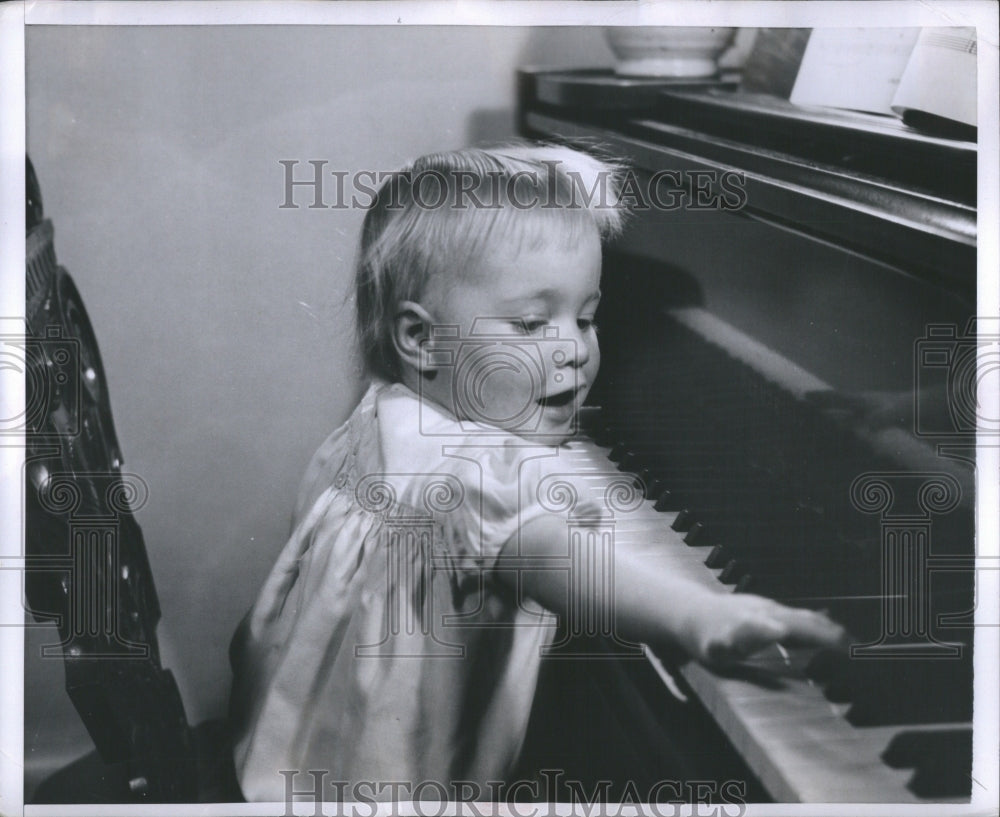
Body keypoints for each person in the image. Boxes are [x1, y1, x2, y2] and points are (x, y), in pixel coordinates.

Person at [228, 144, 846, 803]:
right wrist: (692, 612)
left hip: (301, 740)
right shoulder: (461, 475)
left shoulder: (382, 416)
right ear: (420, 338)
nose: (574, 349)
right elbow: (543, 551)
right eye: (531, 322)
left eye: (585, 316)